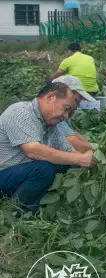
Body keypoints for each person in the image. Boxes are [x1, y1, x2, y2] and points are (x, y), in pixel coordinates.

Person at [0, 82, 97, 211]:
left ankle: (45, 203)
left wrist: (94, 160)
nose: (66, 116)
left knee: (65, 163)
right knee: (43, 169)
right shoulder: (20, 112)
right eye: (66, 108)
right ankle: (19, 214)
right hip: (4, 173)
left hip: (18, 175)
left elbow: (70, 151)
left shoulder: (49, 125)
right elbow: (33, 151)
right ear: (50, 98)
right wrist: (79, 159)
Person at [52, 75, 94, 153]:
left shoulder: (64, 114)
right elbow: (75, 144)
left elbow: (72, 132)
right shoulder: (55, 116)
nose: (76, 106)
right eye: (75, 100)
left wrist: (91, 146)